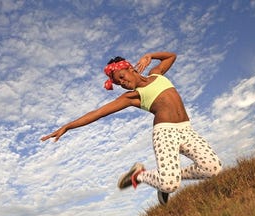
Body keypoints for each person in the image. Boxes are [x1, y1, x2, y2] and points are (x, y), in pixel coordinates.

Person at [41, 51, 222, 204]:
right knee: (170, 185)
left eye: (122, 77)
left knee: (213, 168)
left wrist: (149, 55)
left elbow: (170, 57)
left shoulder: (157, 74)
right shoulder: (132, 96)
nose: (122, 83)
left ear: (130, 68)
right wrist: (67, 126)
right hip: (165, 133)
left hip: (186, 129)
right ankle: (140, 175)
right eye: (118, 83)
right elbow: (98, 113)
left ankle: (164, 178)